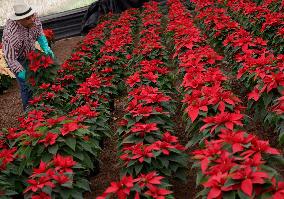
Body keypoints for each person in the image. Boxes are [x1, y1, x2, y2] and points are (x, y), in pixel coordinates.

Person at [2, 0, 54, 111]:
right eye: (28, 18)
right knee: (26, 85)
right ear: (19, 20)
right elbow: (10, 58)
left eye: (32, 16)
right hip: (17, 59)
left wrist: (45, 46)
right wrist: (22, 73)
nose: (32, 19)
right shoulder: (11, 35)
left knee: (39, 77)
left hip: (30, 51)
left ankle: (42, 104)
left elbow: (39, 32)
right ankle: (28, 112)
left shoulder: (33, 18)